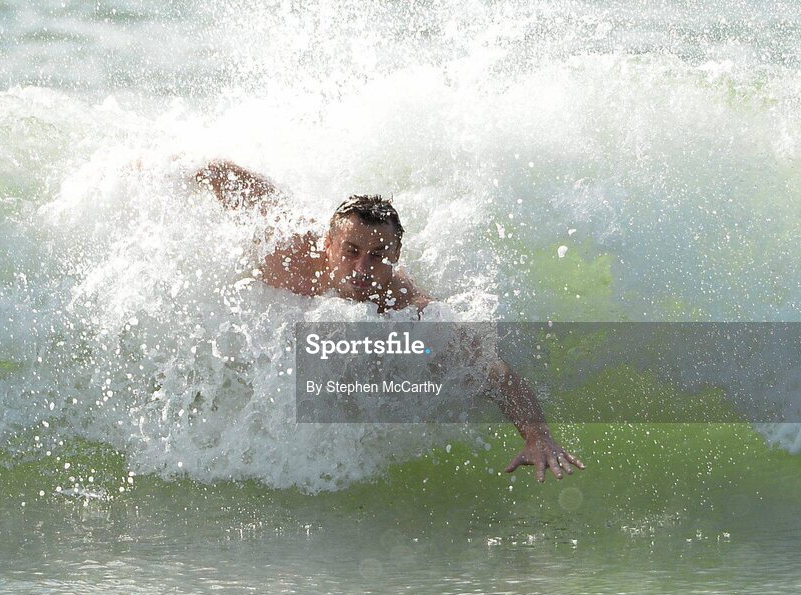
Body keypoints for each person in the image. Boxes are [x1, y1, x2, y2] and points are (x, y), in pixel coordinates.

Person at [196, 160, 585, 482]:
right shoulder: (286, 257)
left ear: (396, 253)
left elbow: (494, 370)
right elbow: (233, 184)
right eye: (350, 251)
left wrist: (537, 434)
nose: (363, 268)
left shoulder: (405, 303)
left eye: (378, 255)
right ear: (328, 245)